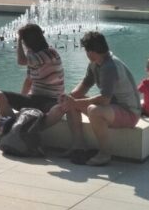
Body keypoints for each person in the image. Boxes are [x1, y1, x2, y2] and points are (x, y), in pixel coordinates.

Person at [57, 31, 141, 166]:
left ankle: (104, 154)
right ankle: (78, 146)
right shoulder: (95, 63)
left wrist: (75, 102)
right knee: (72, 101)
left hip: (129, 113)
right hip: (112, 109)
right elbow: (84, 85)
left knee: (94, 110)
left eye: (86, 50)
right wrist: (69, 97)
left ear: (91, 51)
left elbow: (105, 99)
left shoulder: (110, 66)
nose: (85, 53)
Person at [0, 23, 65, 129]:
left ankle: (21, 129)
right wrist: (22, 99)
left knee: (58, 110)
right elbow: (28, 81)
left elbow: (21, 61)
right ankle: (15, 128)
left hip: (51, 101)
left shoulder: (50, 53)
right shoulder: (33, 56)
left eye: (24, 41)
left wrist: (19, 39)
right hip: (34, 99)